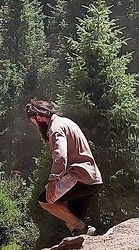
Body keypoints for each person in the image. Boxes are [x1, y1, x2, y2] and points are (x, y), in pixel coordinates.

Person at [25, 99, 102, 237]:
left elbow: (60, 156)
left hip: (79, 177)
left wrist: (53, 180)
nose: (36, 126)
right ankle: (83, 233)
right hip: (92, 178)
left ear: (39, 117)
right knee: (71, 215)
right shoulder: (65, 121)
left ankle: (81, 228)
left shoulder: (55, 128)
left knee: (46, 200)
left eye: (34, 122)